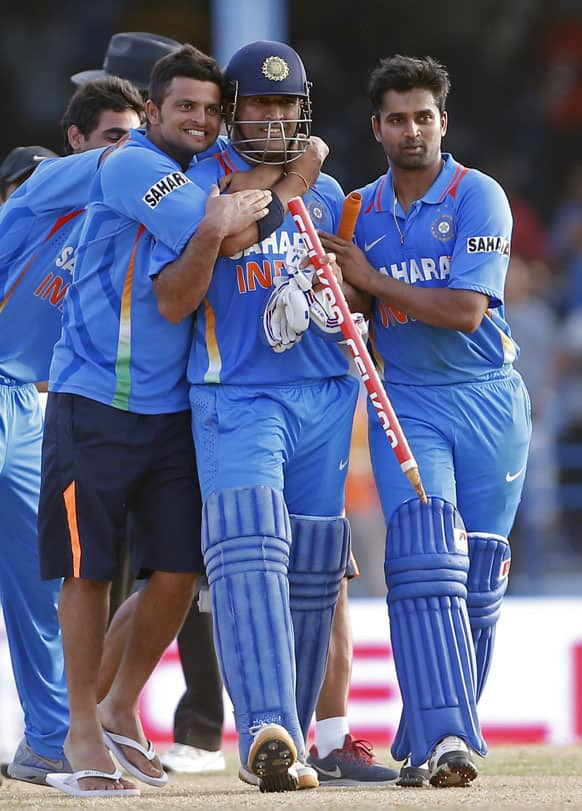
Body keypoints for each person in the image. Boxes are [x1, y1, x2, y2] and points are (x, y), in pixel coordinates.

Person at [36, 43, 273, 799]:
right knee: (89, 569)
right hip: (92, 396)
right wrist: (226, 214)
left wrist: (237, 202)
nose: (200, 120)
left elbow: (227, 225)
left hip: (172, 406)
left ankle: (115, 706)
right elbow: (226, 236)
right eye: (185, 107)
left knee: (178, 569)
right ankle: (79, 725)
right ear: (152, 109)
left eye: (211, 110)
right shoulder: (130, 163)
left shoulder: (211, 173)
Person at [149, 39, 387, 793]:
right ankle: (264, 727)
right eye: (260, 104)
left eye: (287, 106)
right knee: (249, 546)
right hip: (237, 391)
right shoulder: (197, 183)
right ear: (234, 111)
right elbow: (197, 277)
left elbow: (351, 288)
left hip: (323, 391)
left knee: (315, 565)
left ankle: (306, 738)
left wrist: (351, 301)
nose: (275, 117)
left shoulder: (329, 192)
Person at [320, 54, 531, 787]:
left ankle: (428, 738)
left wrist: (372, 282)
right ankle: (449, 738)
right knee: (420, 560)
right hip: (406, 399)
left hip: (488, 398)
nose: (412, 130)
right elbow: (347, 310)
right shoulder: (355, 211)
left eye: (424, 117)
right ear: (377, 127)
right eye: (397, 118)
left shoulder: (480, 197)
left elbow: (466, 310)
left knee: (475, 577)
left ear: (443, 122)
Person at [0, 74, 144, 788]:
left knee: (40, 584)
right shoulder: (39, 188)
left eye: (131, 132)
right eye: (113, 135)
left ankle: (48, 740)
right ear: (78, 144)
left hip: (28, 402)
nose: (125, 148)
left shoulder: (109, 227)